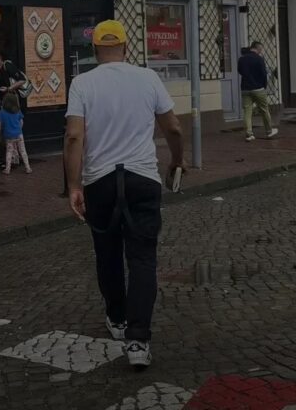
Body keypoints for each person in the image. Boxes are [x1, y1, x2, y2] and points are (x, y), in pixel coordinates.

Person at [64, 19, 184, 369]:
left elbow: (74, 136)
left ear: (95, 50)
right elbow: (173, 127)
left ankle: (116, 319)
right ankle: (138, 341)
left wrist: (74, 185)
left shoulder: (82, 83)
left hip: (100, 181)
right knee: (143, 258)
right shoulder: (148, 78)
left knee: (108, 253)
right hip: (142, 178)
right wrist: (177, 161)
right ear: (127, 48)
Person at [0, 45, 26, 168]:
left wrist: (9, 88)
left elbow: (22, 80)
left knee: (9, 130)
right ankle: (7, 158)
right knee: (2, 131)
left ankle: (13, 159)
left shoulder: (7, 65)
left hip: (8, 103)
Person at [237, 41, 278, 142]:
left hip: (245, 88)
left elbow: (240, 71)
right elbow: (263, 74)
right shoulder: (259, 59)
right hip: (258, 88)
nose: (261, 51)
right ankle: (269, 131)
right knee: (264, 110)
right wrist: (263, 86)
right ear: (258, 48)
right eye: (261, 49)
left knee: (247, 111)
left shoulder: (242, 59)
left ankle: (249, 134)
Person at [0, 93, 32, 175]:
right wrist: (19, 130)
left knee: (9, 151)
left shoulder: (2, 112)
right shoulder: (17, 111)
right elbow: (21, 122)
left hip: (9, 135)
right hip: (19, 134)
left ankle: (7, 169)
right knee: (23, 151)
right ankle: (28, 167)